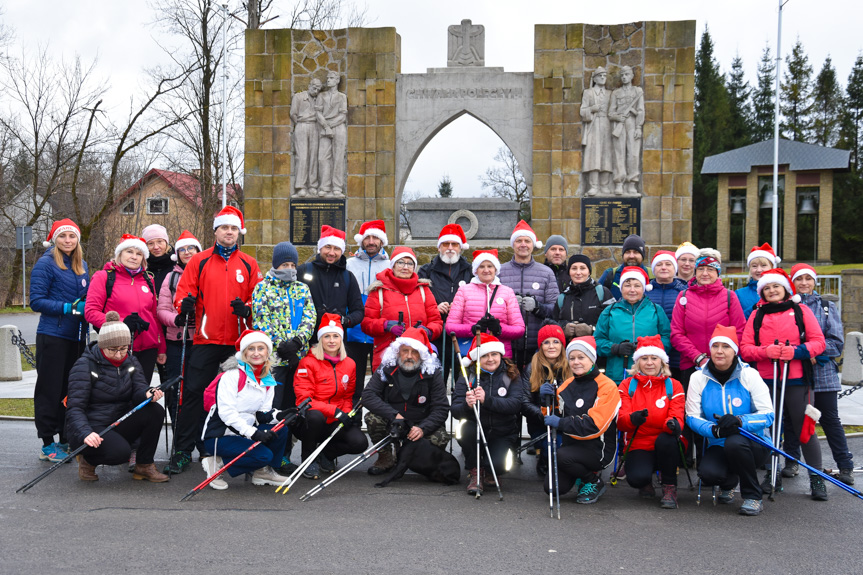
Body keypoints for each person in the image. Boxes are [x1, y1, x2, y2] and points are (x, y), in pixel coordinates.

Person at [167, 206, 262, 474]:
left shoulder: (249, 263)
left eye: (233, 228)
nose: (229, 232)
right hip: (206, 340)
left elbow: (259, 297)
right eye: (224, 228)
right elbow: (184, 293)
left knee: (236, 398)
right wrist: (183, 304)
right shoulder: (200, 261)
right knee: (193, 394)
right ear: (216, 231)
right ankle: (184, 450)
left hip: (237, 343)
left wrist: (249, 309)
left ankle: (230, 448)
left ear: (238, 232)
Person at [740, 268, 827, 500]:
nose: (772, 291)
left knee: (804, 428)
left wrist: (796, 351)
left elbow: (819, 342)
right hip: (766, 380)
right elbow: (745, 349)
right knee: (769, 428)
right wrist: (765, 351)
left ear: (785, 288)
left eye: (776, 286)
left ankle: (816, 478)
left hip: (797, 378)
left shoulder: (801, 310)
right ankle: (772, 473)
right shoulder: (757, 315)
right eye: (767, 288)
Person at [65, 312, 168, 483]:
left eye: (123, 348)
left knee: (155, 410)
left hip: (120, 419)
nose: (119, 355)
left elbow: (138, 389)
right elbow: (75, 407)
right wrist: (85, 432)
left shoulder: (131, 361)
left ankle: (144, 464)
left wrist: (147, 393)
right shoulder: (84, 365)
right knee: (120, 454)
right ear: (102, 346)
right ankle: (87, 461)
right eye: (113, 350)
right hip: (91, 426)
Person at [686, 325, 775, 516]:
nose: (719, 351)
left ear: (734, 351)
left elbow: (768, 415)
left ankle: (753, 496)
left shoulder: (749, 374)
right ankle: (729, 482)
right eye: (715, 346)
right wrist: (714, 431)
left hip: (753, 442)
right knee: (709, 474)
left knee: (735, 443)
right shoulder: (697, 378)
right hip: (718, 442)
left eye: (726, 347)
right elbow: (692, 417)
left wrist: (740, 421)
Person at [200, 329, 295, 489]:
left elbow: (263, 414)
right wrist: (253, 433)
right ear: (244, 353)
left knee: (281, 429)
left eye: (260, 348)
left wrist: (280, 415)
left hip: (245, 432)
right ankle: (216, 462)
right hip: (220, 435)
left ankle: (262, 472)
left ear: (267, 352)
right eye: (251, 348)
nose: (256, 353)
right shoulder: (231, 375)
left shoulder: (267, 378)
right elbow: (227, 414)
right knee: (264, 455)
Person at [251, 241, 316, 473]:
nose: (289, 268)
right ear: (276, 264)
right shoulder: (262, 288)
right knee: (273, 406)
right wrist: (280, 346)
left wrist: (298, 343)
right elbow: (260, 321)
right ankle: (269, 456)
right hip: (275, 360)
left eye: (292, 264)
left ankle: (285, 454)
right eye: (285, 264)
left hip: (298, 357)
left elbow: (310, 315)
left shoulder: (302, 288)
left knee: (291, 407)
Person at [30, 219, 89, 462]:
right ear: (54, 240)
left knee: (70, 391)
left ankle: (65, 439)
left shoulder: (82, 265)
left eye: (72, 237)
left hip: (77, 338)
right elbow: (36, 301)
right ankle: (47, 443)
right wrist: (67, 307)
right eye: (63, 236)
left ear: (77, 240)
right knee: (49, 390)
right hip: (52, 336)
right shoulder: (45, 264)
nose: (68, 241)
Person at [790, 264, 855, 485]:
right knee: (794, 419)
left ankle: (845, 464)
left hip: (823, 372)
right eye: (799, 279)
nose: (804, 283)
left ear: (814, 282)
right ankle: (791, 462)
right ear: (793, 282)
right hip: (797, 372)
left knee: (829, 419)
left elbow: (836, 343)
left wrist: (811, 351)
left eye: (808, 278)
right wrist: (803, 352)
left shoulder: (826, 307)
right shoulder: (787, 306)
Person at [541, 336, 620, 504]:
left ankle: (592, 480)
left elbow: (595, 425)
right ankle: (579, 474)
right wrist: (546, 401)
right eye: (572, 358)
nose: (576, 362)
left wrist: (561, 423)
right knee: (552, 488)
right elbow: (552, 416)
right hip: (571, 447)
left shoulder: (607, 386)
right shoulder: (566, 385)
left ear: (592, 359)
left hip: (598, 449)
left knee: (560, 456)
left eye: (581, 357)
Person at [362, 328, 449, 476]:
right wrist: (394, 415)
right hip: (393, 420)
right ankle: (386, 458)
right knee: (372, 419)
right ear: (398, 352)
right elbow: (368, 395)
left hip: (420, 421)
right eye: (405, 351)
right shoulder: (386, 368)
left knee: (439, 439)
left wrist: (423, 428)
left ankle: (414, 461)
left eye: (414, 352)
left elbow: (441, 407)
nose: (409, 356)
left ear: (421, 355)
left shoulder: (432, 373)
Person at [293, 314, 368, 479]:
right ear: (321, 340)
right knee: (314, 416)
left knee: (360, 442)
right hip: (310, 421)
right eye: (327, 336)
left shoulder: (350, 364)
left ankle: (326, 455)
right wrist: (335, 411)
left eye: (336, 336)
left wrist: (346, 413)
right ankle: (308, 459)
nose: (331, 340)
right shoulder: (308, 363)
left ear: (341, 339)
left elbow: (348, 395)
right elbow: (304, 401)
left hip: (335, 419)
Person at [84, 234, 166, 384]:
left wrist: (161, 348)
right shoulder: (104, 277)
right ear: (119, 254)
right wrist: (121, 324)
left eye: (139, 253)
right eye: (129, 252)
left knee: (141, 394)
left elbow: (154, 316)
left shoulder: (148, 279)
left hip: (148, 348)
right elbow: (90, 312)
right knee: (118, 395)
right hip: (117, 347)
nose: (134, 257)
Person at [616, 335, 685, 509]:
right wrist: (632, 419)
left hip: (666, 441)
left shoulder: (674, 385)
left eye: (654, 358)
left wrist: (672, 424)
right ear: (637, 362)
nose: (649, 363)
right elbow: (621, 422)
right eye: (644, 358)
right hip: (639, 442)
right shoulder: (626, 385)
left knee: (667, 439)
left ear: (662, 362)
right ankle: (645, 480)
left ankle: (669, 486)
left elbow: (677, 415)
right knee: (636, 478)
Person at [451, 333, 524, 495]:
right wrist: (467, 405)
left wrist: (487, 400)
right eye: (485, 355)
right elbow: (455, 410)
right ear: (477, 358)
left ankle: (489, 467)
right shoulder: (468, 375)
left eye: (494, 354)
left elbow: (516, 405)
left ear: (500, 355)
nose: (490, 359)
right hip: (475, 429)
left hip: (502, 431)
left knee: (500, 465)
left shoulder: (511, 373)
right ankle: (475, 470)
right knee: (465, 430)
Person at [362, 246, 443, 372]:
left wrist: (428, 331)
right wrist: (385, 325)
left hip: (418, 355)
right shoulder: (379, 291)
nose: (405, 267)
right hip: (388, 354)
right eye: (401, 262)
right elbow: (366, 323)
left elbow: (437, 322)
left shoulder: (423, 290)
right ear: (393, 265)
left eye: (410, 263)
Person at [671, 251, 746, 384]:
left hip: (724, 367)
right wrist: (698, 357)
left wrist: (722, 357)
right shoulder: (683, 296)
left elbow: (739, 331)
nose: (705, 273)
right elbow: (677, 334)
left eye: (710, 269)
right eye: (700, 269)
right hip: (691, 365)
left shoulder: (730, 296)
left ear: (717, 273)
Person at [156, 230, 201, 442]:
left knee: (199, 391)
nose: (187, 253)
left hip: (202, 341)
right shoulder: (171, 277)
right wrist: (176, 319)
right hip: (177, 341)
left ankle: (201, 440)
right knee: (176, 390)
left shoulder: (206, 272)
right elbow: (162, 309)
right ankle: (179, 440)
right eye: (182, 250)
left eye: (191, 248)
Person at [498, 220, 559, 371]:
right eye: (519, 241)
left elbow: (556, 308)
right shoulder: (499, 271)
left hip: (536, 343)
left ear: (533, 244)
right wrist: (508, 306)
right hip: (507, 342)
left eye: (527, 241)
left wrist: (537, 308)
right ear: (513, 244)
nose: (523, 244)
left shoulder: (546, 273)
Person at [594, 267, 671, 384]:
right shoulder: (609, 311)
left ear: (644, 288)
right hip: (618, 374)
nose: (632, 290)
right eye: (627, 285)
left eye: (637, 286)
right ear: (621, 288)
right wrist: (615, 348)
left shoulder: (656, 310)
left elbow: (668, 337)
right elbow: (598, 341)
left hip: (650, 374)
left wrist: (649, 347)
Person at [418, 223, 473, 383]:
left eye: (454, 244)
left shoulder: (469, 270)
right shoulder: (426, 271)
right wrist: (435, 307)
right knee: (436, 380)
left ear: (460, 248)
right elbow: (420, 297)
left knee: (461, 379)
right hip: (436, 332)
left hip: (461, 333)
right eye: (445, 244)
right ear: (439, 247)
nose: (450, 248)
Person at [446, 249, 525, 358]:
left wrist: (500, 329)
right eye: (481, 266)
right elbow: (450, 327)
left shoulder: (507, 292)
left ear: (495, 269)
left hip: (500, 354)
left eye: (490, 266)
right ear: (476, 270)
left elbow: (519, 329)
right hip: (472, 353)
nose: (486, 270)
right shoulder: (464, 291)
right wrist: (472, 329)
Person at [345, 220, 390, 399]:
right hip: (353, 331)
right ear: (361, 241)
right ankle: (352, 423)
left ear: (382, 241)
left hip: (379, 331)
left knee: (381, 383)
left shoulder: (391, 265)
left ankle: (379, 423)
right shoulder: (350, 264)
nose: (371, 241)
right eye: (367, 238)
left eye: (375, 238)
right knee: (353, 382)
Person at [521, 323, 573, 476]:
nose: (551, 346)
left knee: (562, 448)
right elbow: (524, 402)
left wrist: (560, 418)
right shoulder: (531, 368)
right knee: (550, 448)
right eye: (547, 342)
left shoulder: (571, 366)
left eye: (556, 342)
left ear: (562, 345)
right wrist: (543, 413)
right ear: (541, 345)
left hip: (564, 422)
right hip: (540, 423)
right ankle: (543, 457)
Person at [297, 225, 364, 339]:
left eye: (336, 249)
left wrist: (345, 320)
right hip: (307, 339)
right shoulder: (303, 271)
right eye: (328, 247)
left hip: (336, 340)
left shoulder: (348, 277)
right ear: (320, 248)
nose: (332, 253)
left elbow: (358, 311)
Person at [552, 254, 614, 342]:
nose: (578, 272)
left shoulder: (602, 293)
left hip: (597, 350)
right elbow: (554, 324)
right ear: (569, 271)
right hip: (570, 351)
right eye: (574, 268)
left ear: (589, 271)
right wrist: (563, 329)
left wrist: (591, 329)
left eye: (582, 268)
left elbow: (612, 323)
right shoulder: (562, 297)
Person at [646, 250, 687, 381]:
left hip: (678, 355)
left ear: (674, 268)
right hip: (649, 354)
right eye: (659, 264)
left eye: (668, 264)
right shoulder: (644, 292)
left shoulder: (685, 292)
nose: (663, 267)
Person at [608, 65, 644, 196]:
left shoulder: (637, 91)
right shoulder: (616, 93)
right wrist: (619, 117)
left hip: (633, 124)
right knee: (619, 153)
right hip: (619, 124)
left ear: (632, 76)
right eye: (622, 75)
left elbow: (641, 111)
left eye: (626, 74)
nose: (624, 77)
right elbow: (610, 113)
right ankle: (619, 183)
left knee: (633, 153)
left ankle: (632, 183)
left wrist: (639, 127)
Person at [580, 66, 613, 196]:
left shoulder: (610, 94)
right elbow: (583, 111)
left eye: (605, 76)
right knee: (593, 155)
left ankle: (605, 185)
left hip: (607, 124)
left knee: (607, 155)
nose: (603, 78)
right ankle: (593, 185)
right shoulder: (588, 93)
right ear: (594, 78)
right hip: (593, 125)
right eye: (600, 76)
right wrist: (591, 109)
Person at [318, 70, 348, 197]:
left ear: (337, 80)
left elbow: (342, 116)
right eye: (327, 78)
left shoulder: (342, 97)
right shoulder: (322, 96)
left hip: (338, 127)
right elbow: (318, 113)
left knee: (338, 158)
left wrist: (330, 126)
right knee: (322, 158)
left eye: (331, 78)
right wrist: (325, 126)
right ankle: (324, 186)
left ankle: (337, 187)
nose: (328, 80)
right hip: (324, 127)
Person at [291, 77, 322, 197]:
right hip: (302, 125)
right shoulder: (299, 97)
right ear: (309, 85)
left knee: (313, 156)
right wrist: (300, 123)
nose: (316, 90)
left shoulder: (319, 99)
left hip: (315, 126)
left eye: (318, 88)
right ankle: (300, 186)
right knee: (302, 157)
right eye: (314, 87)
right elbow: (293, 113)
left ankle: (312, 185)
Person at [598, 234, 648, 300]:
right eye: (627, 252)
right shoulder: (610, 274)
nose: (631, 256)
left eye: (636, 252)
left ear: (642, 255)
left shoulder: (651, 275)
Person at [736, 243, 779, 319]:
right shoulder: (738, 294)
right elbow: (737, 320)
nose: (759, 270)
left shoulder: (782, 292)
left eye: (763, 265)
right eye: (754, 266)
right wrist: (755, 308)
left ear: (772, 267)